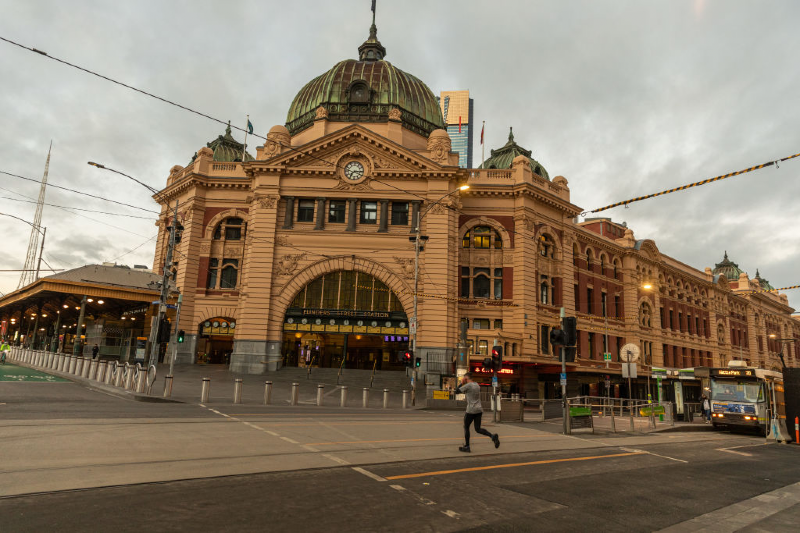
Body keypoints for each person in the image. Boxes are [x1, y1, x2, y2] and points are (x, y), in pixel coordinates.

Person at [456, 372, 500, 452]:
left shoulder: (468, 385)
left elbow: (456, 391)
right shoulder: (477, 385)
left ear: (466, 378)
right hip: (479, 409)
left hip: (470, 410)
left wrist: (461, 383)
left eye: (464, 378)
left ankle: (467, 446)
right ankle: (492, 436)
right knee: (478, 428)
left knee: (466, 427)